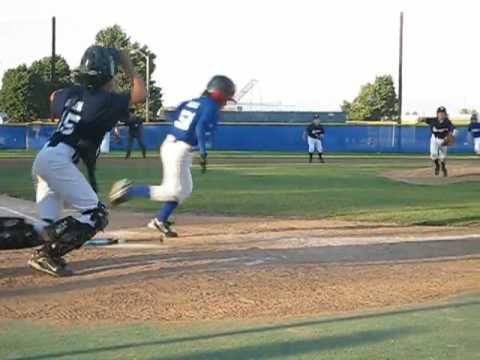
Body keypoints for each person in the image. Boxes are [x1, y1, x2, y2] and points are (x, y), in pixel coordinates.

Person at [28, 45, 146, 276]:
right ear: (108, 75)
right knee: (95, 215)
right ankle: (47, 255)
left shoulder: (71, 94)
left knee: (49, 228)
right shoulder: (105, 99)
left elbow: (54, 97)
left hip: (44, 159)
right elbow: (141, 94)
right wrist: (128, 65)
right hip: (58, 162)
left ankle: (43, 253)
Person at [109, 75, 235, 240]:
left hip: (174, 145)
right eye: (226, 98)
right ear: (219, 94)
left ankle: (160, 220)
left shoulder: (193, 101)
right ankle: (129, 191)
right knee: (172, 191)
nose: (225, 103)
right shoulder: (211, 106)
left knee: (185, 189)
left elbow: (176, 113)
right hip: (179, 149)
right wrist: (203, 152)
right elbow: (200, 127)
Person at [418, 106, 457, 177]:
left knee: (443, 157)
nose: (441, 114)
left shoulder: (447, 122)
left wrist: (452, 135)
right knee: (433, 154)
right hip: (434, 139)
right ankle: (437, 166)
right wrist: (421, 119)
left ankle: (443, 167)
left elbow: (453, 129)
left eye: (443, 113)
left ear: (445, 114)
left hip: (443, 140)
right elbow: (425, 119)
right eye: (440, 113)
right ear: (437, 114)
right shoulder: (433, 120)